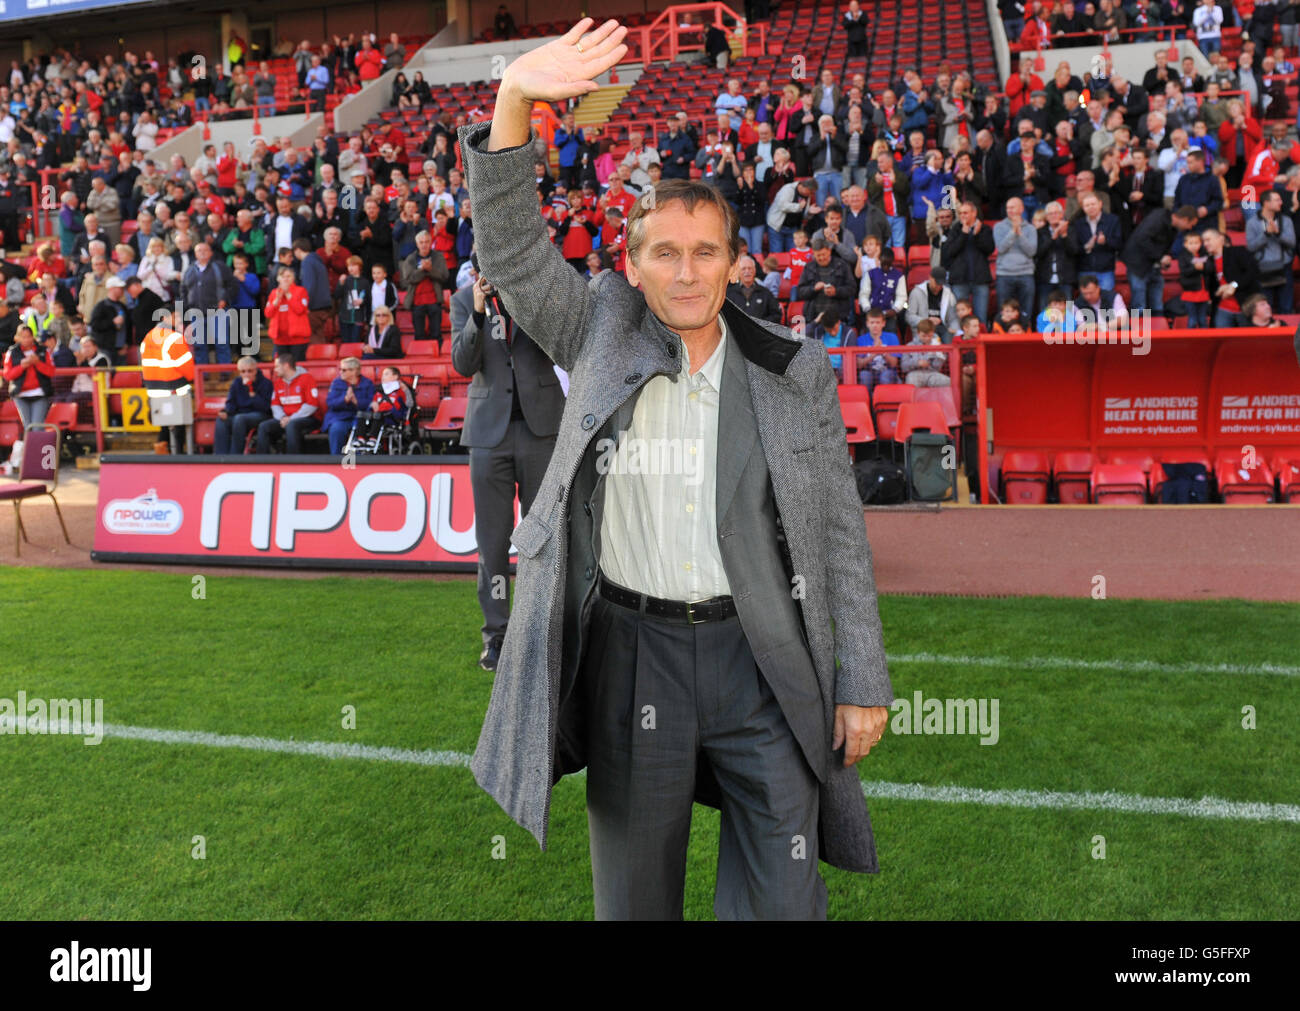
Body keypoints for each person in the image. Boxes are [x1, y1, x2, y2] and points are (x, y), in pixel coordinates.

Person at [467, 19, 892, 922]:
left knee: (786, 898)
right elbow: (508, 250)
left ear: (736, 262)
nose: (687, 272)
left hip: (762, 656)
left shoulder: (792, 371)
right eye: (665, 251)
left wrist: (863, 680)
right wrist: (513, 99)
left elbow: (838, 532)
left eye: (706, 251)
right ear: (632, 262)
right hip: (632, 658)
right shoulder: (599, 328)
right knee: (634, 900)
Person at [448, 264, 564, 670]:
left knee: (543, 541)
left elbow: (563, 348)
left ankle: (541, 631)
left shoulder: (537, 297)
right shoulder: (462, 301)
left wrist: (529, 301)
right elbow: (463, 364)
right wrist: (478, 313)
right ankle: (496, 636)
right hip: (488, 438)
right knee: (493, 544)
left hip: (541, 430)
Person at [139, 306, 196, 455]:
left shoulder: (148, 337)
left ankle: (162, 453)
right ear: (165, 318)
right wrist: (191, 380)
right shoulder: (174, 338)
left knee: (164, 424)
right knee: (179, 424)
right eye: (176, 317)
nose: (179, 320)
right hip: (174, 388)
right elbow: (186, 367)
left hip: (154, 389)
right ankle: (178, 456)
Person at [2, 324, 54, 474]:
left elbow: (51, 372)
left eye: (28, 336)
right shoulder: (12, 352)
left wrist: (38, 363)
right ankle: (34, 463)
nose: (26, 339)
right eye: (23, 336)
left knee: (37, 427)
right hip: (21, 395)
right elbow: (8, 375)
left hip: (40, 393)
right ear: (17, 338)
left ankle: (43, 464)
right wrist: (22, 367)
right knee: (28, 427)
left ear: (33, 337)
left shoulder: (43, 351)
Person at [256, 352, 321, 454]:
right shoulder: (278, 382)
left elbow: (311, 405)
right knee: (264, 426)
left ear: (286, 366)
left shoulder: (307, 378)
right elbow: (275, 404)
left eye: (277, 366)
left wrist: (291, 418)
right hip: (284, 419)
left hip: (308, 418)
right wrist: (282, 418)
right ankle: (261, 462)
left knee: (292, 425)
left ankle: (293, 462)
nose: (275, 369)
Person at [400, 229, 450, 349]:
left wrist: (430, 269)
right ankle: (420, 353)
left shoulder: (438, 257)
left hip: (434, 300)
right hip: (417, 301)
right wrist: (423, 269)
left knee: (436, 333)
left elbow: (444, 276)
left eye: (426, 242)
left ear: (430, 242)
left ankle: (439, 353)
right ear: (417, 244)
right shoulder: (411, 259)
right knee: (419, 334)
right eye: (421, 242)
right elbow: (408, 279)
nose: (424, 245)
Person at [214, 356, 273, 454]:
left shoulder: (266, 383)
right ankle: (221, 456)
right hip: (240, 414)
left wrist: (254, 396)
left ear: (255, 370)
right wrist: (226, 412)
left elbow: (267, 407)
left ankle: (235, 456)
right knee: (222, 420)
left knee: (239, 419)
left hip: (260, 414)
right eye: (243, 371)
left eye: (250, 371)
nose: (246, 374)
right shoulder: (237, 382)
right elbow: (231, 402)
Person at [265, 266, 311, 363]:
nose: (285, 279)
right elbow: (268, 313)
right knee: (283, 366)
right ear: (278, 278)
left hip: (298, 339)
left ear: (293, 278)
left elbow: (300, 309)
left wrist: (288, 295)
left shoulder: (301, 291)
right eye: (283, 276)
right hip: (280, 339)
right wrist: (277, 300)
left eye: (288, 276)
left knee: (297, 365)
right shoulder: (274, 293)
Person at [725, 254, 782, 323]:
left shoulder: (765, 293)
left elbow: (777, 315)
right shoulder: (729, 293)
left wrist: (762, 324)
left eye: (750, 268)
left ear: (754, 270)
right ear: (738, 272)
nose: (747, 271)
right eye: (743, 269)